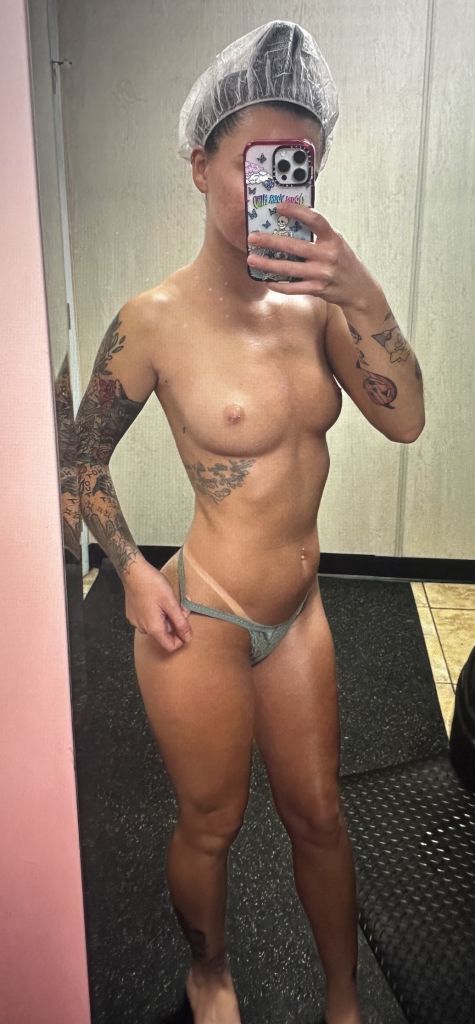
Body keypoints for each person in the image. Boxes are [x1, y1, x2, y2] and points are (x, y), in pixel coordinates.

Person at [76, 20, 425, 1024]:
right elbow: (77, 457)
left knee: (319, 815)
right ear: (200, 164)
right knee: (212, 823)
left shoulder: (320, 310)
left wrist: (359, 289)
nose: (280, 181)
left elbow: (406, 419)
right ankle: (209, 974)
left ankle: (344, 999)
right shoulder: (152, 319)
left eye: (300, 162)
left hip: (300, 615)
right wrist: (130, 570)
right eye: (258, 161)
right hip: (206, 618)